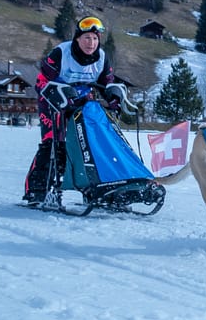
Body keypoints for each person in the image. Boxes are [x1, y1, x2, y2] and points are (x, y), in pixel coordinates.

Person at [22, 16, 129, 203]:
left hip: (82, 101)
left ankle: (97, 190)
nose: (91, 43)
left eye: (95, 39)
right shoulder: (60, 53)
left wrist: (113, 99)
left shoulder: (102, 58)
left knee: (93, 144)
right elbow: (42, 81)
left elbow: (107, 82)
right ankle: (37, 190)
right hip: (53, 101)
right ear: (78, 38)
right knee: (54, 144)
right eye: (87, 38)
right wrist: (60, 94)